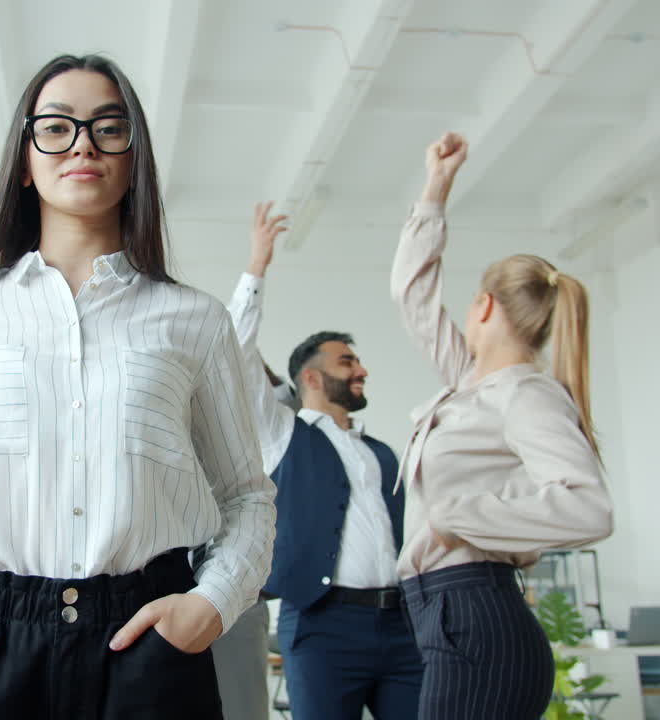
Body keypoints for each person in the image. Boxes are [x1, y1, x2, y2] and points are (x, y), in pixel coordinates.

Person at [0, 54, 276, 720]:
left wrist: (212, 603)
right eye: (56, 127)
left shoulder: (197, 321)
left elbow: (245, 494)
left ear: (134, 156)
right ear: (24, 160)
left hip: (145, 645)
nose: (83, 142)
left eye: (108, 126)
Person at [391, 132, 613, 719]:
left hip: (475, 618)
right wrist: (436, 186)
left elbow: (590, 507)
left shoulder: (525, 394)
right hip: (445, 616)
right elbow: (411, 296)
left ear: (484, 306)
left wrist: (457, 516)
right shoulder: (472, 383)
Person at [224, 202, 422, 719]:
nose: (361, 370)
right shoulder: (281, 432)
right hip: (322, 625)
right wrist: (257, 264)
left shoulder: (380, 452)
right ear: (311, 378)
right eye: (347, 361)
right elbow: (235, 349)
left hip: (401, 627)